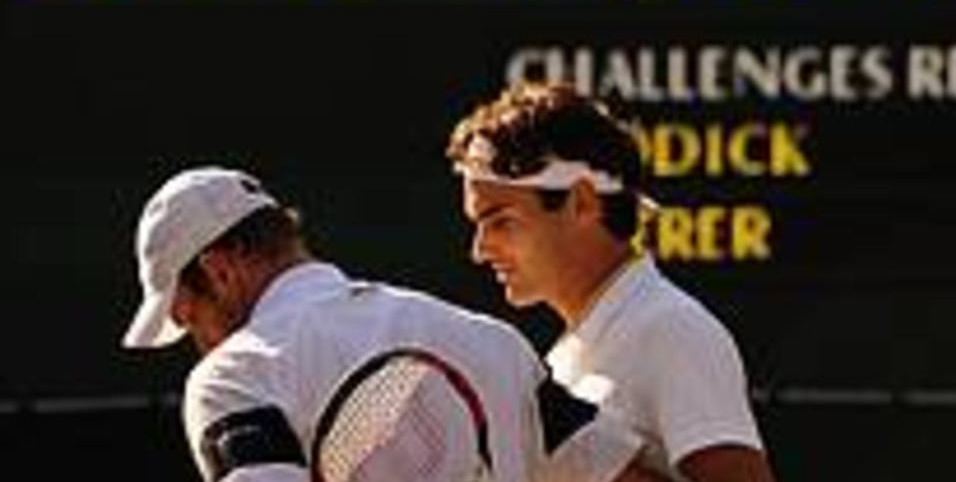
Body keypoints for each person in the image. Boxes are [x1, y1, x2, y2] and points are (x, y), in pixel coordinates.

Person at [120, 164, 664, 482]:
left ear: (219, 271)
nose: (198, 341)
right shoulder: (495, 343)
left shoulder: (232, 379)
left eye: (188, 317)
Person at [446, 81, 779, 482]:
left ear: (582, 203)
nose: (480, 250)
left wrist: (589, 460)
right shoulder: (569, 356)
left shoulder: (672, 330)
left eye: (501, 221)